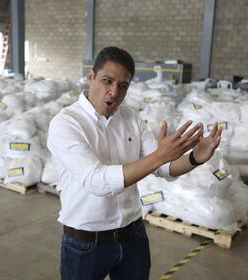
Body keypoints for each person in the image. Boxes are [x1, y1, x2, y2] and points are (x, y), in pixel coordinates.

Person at [47, 46, 222, 280]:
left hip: (133, 236)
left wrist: (194, 158)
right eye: (107, 81)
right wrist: (161, 155)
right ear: (91, 76)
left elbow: (162, 168)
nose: (113, 92)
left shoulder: (130, 118)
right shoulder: (66, 124)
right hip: (86, 243)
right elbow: (96, 181)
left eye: (123, 86)